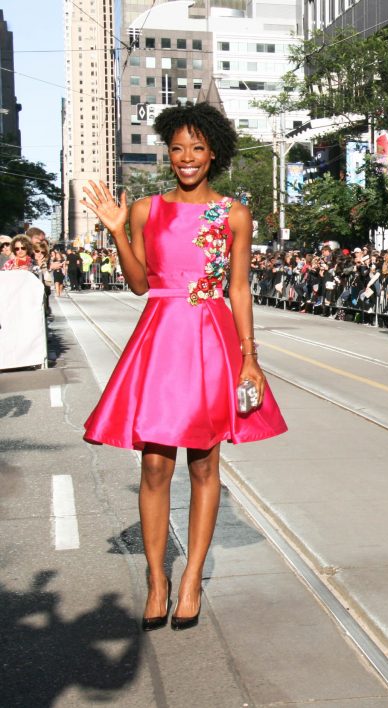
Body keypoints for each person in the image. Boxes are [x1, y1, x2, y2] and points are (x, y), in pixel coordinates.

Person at [79, 102, 288, 632]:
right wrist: (117, 230)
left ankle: (191, 577)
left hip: (211, 341)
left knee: (203, 465)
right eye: (177, 148)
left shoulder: (233, 214)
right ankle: (158, 580)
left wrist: (250, 357)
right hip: (160, 339)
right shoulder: (145, 209)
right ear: (168, 154)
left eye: (197, 148)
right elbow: (138, 284)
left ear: (213, 153)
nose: (187, 157)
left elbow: (238, 289)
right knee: (154, 466)